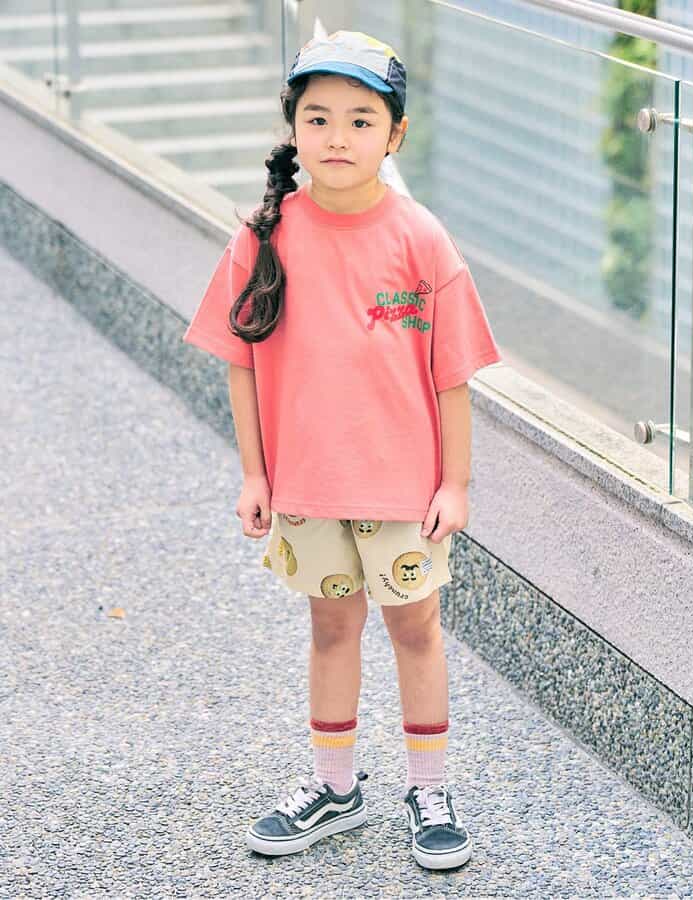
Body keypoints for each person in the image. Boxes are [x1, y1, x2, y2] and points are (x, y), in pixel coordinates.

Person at [182, 30, 502, 871]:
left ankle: (429, 790)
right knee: (331, 628)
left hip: (404, 492)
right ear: (293, 128)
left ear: (395, 135)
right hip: (309, 486)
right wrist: (255, 473)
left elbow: (452, 377)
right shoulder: (263, 237)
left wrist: (455, 484)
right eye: (317, 117)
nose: (336, 137)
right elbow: (243, 364)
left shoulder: (422, 239)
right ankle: (335, 787)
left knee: (415, 629)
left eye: (361, 121)